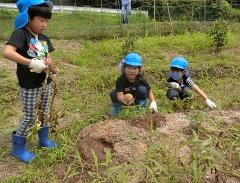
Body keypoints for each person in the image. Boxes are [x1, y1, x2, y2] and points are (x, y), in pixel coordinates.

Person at [3, 0, 57, 163]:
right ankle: (18, 147)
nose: (45, 24)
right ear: (28, 17)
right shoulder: (21, 34)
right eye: (41, 20)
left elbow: (48, 57)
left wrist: (52, 67)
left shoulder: (43, 38)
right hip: (29, 85)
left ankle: (43, 140)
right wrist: (30, 62)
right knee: (29, 116)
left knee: (44, 112)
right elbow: (7, 52)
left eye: (47, 20)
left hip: (45, 83)